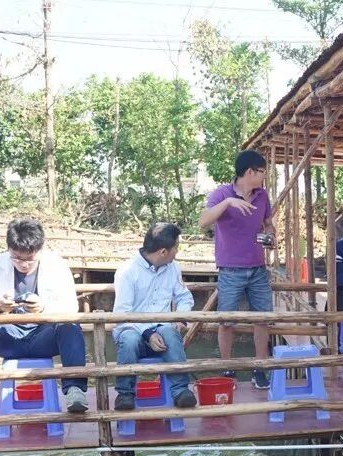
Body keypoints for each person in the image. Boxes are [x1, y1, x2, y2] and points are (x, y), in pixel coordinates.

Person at [0, 218, 88, 418]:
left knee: (70, 326)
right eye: (17, 258)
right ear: (8, 249)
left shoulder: (57, 265)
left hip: (45, 337)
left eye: (30, 259)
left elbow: (71, 307)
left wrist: (43, 308)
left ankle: (75, 389)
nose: (24, 264)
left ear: (40, 250)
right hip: (7, 336)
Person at [200, 150, 277, 390]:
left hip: (258, 268)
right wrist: (228, 203)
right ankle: (227, 368)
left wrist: (270, 235)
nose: (264, 176)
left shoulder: (262, 195)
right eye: (262, 172)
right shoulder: (222, 193)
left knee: (262, 319)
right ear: (250, 172)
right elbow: (203, 221)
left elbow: (268, 223)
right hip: (230, 269)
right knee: (226, 321)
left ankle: (260, 367)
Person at [112, 222, 197, 411]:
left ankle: (180, 391)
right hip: (132, 328)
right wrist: (148, 333)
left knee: (170, 332)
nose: (177, 252)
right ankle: (125, 393)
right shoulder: (127, 271)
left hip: (163, 328)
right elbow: (122, 314)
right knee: (129, 339)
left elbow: (184, 297)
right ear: (163, 252)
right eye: (176, 247)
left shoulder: (173, 268)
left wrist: (180, 317)